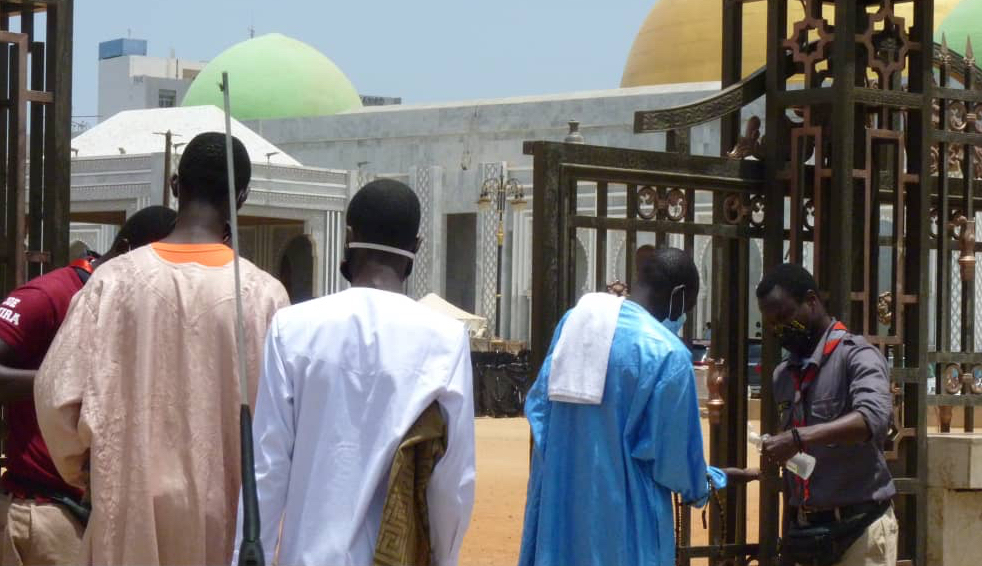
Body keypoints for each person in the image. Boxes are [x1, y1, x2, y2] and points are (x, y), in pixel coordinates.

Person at [34, 132, 289, 566]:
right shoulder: (264, 296)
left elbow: (56, 395)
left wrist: (89, 473)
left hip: (127, 516)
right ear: (242, 196)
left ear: (175, 186)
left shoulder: (112, 283)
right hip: (226, 522)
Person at [236, 179, 475, 566]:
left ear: (349, 236)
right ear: (416, 246)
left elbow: (267, 465)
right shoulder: (445, 338)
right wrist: (443, 558)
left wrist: (246, 557)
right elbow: (453, 478)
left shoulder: (293, 328)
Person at [518, 246, 724, 566]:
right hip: (626, 525)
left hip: (559, 513)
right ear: (680, 297)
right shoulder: (667, 354)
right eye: (690, 306)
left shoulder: (573, 327)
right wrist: (704, 483)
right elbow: (674, 460)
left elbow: (539, 411)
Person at [0, 206, 176, 566]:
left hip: (98, 516)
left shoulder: (137, 306)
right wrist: (67, 383)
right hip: (47, 515)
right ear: (126, 249)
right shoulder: (50, 295)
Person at [754, 263, 897, 566]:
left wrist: (798, 437)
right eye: (771, 324)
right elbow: (796, 468)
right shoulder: (783, 375)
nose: (779, 329)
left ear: (811, 301)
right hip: (806, 533)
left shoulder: (856, 355)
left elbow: (872, 418)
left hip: (860, 527)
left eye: (784, 317)